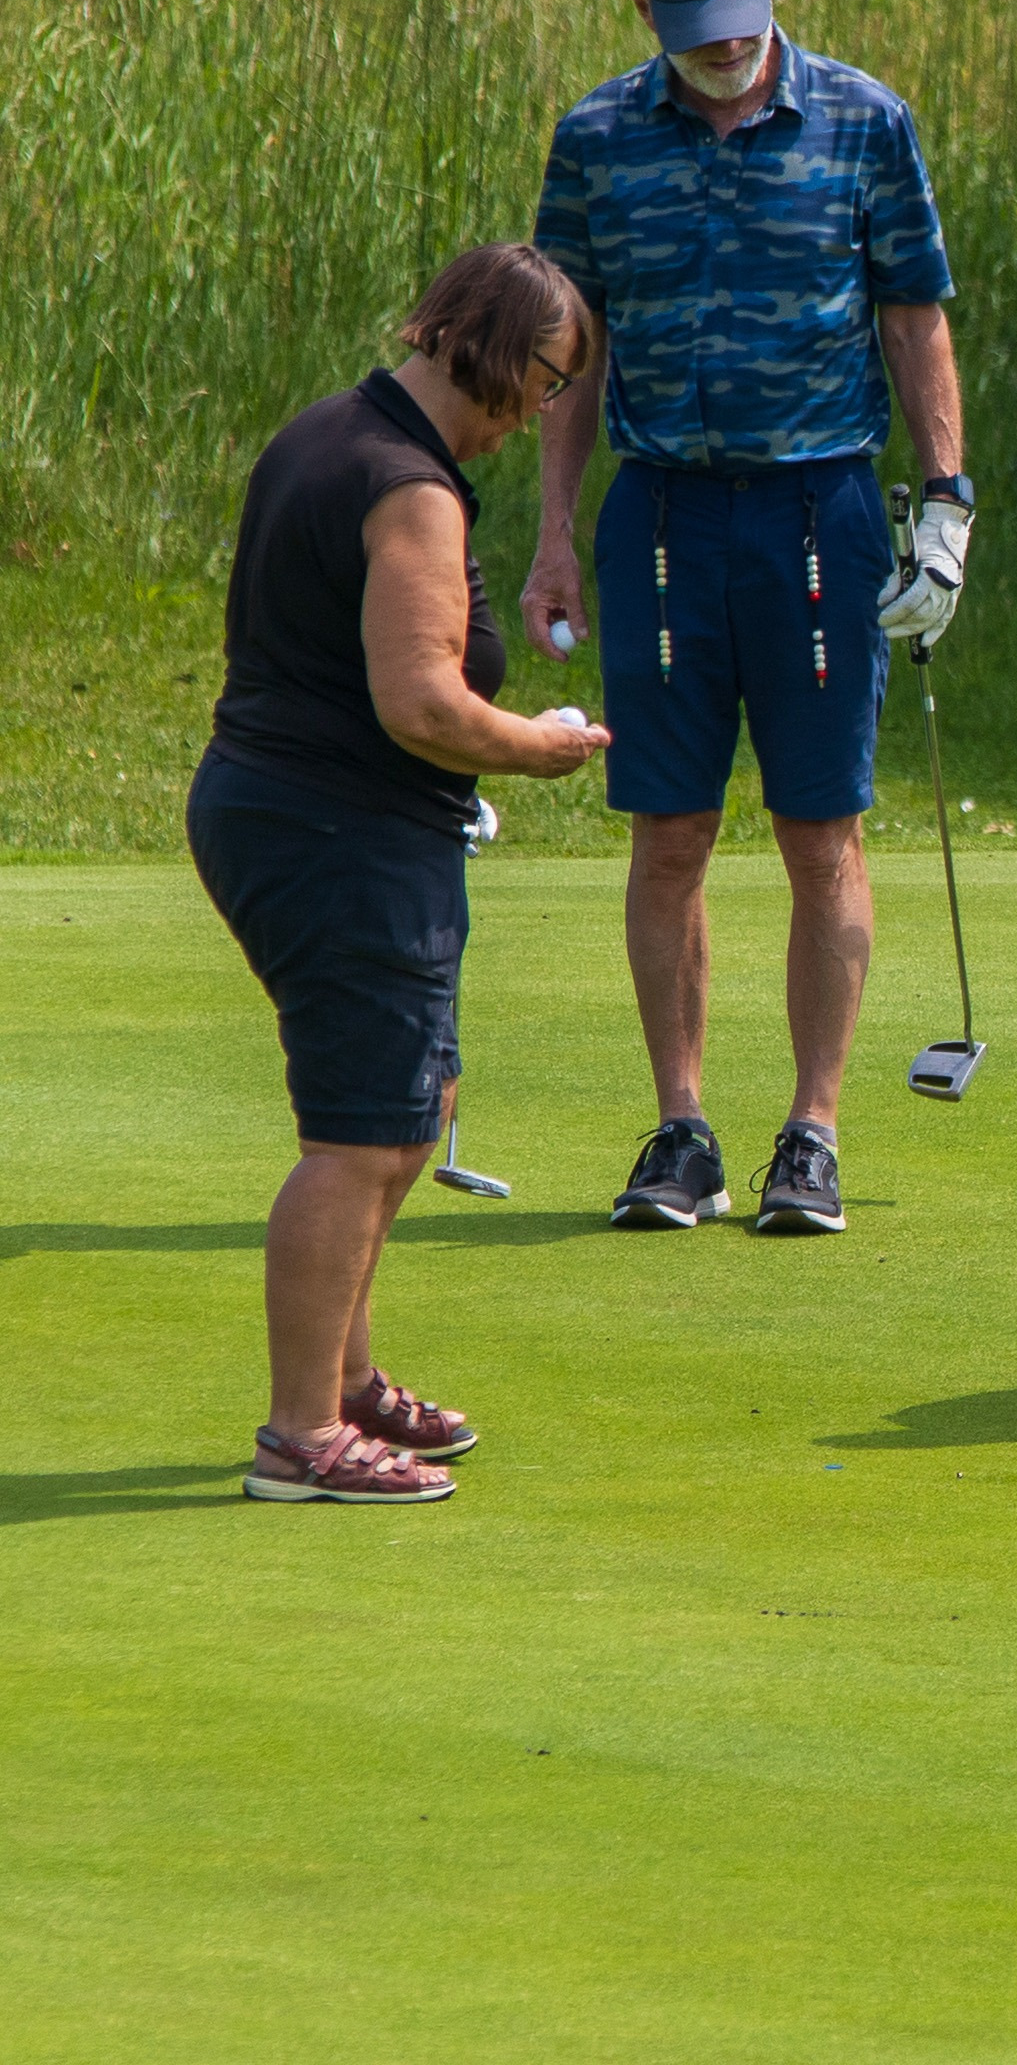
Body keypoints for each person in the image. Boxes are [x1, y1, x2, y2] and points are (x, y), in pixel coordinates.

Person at [520, 0, 971, 1238]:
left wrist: (946, 505)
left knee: (818, 829)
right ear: (641, 7)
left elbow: (913, 314)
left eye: (741, 11)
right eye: (695, 22)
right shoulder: (597, 139)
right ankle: (684, 1133)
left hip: (818, 512)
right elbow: (569, 351)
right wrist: (554, 533)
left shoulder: (864, 120)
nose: (725, 43)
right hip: (660, 516)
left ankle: (811, 1134)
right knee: (670, 830)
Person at [189, 247, 613, 1504]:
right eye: (547, 381)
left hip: (287, 811)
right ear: (495, 352)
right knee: (360, 1136)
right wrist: (535, 745)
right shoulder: (411, 488)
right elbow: (420, 703)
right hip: (337, 834)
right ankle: (301, 1436)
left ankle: (347, 1379)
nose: (541, 411)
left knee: (407, 1106)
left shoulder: (324, 432)